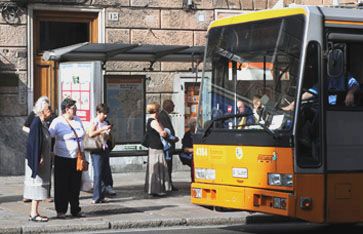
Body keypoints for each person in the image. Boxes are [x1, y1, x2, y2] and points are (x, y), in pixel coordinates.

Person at [49, 97, 85, 219]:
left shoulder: (78, 120)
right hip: (62, 157)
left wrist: (83, 153)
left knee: (75, 185)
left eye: (75, 107)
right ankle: (61, 210)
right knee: (61, 185)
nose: (75, 110)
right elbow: (49, 136)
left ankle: (75, 209)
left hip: (77, 157)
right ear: (66, 109)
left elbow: (82, 137)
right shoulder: (57, 122)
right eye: (73, 108)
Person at [22, 96, 56, 203]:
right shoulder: (36, 119)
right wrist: (33, 132)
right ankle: (30, 196)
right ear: (41, 110)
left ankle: (45, 195)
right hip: (37, 150)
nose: (50, 110)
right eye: (48, 108)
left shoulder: (49, 118)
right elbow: (25, 127)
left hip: (47, 149)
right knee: (35, 176)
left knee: (45, 175)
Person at [282, 73, 359, 111]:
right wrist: (294, 103)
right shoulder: (325, 78)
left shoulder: (345, 75)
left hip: (339, 110)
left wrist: (350, 93)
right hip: (325, 109)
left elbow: (355, 85)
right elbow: (310, 93)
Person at [144, 102, 172, 197]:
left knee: (156, 169)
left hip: (155, 147)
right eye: (159, 109)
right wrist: (167, 134)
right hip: (156, 147)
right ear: (156, 110)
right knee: (157, 169)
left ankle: (155, 189)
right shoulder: (153, 121)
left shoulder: (153, 120)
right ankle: (155, 189)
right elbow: (162, 133)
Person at [88, 104, 113, 204]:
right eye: (103, 113)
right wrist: (102, 129)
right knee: (98, 173)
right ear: (98, 113)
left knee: (104, 172)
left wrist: (108, 132)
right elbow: (90, 133)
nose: (105, 116)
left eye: (106, 114)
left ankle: (101, 195)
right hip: (96, 149)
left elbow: (106, 137)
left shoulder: (106, 122)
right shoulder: (95, 121)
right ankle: (96, 196)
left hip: (104, 148)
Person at [158, 99, 179, 191]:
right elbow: (165, 131)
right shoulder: (163, 116)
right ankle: (167, 185)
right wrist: (173, 138)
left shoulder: (164, 115)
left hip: (168, 145)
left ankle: (169, 184)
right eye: (173, 105)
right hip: (167, 146)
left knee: (169, 166)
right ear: (168, 106)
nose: (174, 107)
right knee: (167, 166)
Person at [180, 118, 197, 182]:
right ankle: (194, 180)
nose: (196, 126)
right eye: (194, 124)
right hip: (188, 154)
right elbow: (186, 149)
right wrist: (196, 150)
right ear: (191, 126)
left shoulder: (199, 133)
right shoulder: (187, 135)